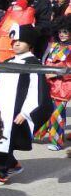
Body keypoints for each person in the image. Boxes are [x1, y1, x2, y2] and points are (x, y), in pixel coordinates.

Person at [0, 24, 53, 182]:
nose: (17, 44)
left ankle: (0, 173)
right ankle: (13, 165)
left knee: (3, 140)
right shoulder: (9, 60)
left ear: (30, 43)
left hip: (15, 111)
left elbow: (36, 90)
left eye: (22, 41)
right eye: (14, 41)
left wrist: (26, 112)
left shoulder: (33, 63)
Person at [35, 17, 71, 151]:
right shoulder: (54, 45)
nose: (62, 34)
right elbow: (47, 62)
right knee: (47, 110)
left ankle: (57, 142)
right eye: (60, 31)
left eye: (66, 31)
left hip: (64, 86)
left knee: (57, 114)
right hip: (50, 84)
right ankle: (40, 134)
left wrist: (57, 74)